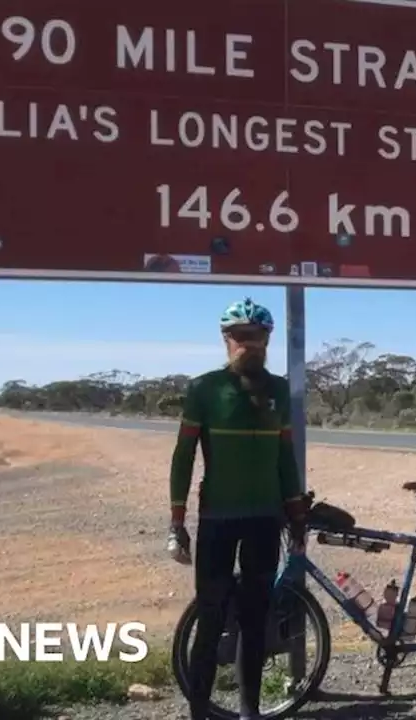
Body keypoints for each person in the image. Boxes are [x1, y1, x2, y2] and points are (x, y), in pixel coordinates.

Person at [166, 297, 309, 720]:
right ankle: (199, 711)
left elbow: (285, 457)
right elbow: (183, 456)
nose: (251, 344)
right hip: (217, 520)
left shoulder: (280, 390)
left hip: (265, 520)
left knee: (254, 617)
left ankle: (250, 712)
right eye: (241, 336)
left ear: (268, 339)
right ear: (226, 339)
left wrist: (297, 511)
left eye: (258, 336)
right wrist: (177, 522)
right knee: (210, 619)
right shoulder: (204, 389)